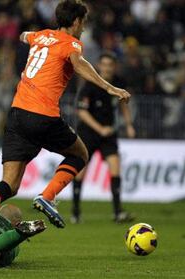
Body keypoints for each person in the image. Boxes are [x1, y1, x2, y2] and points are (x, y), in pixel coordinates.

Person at [0, 0, 131, 229]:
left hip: (17, 114)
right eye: (84, 23)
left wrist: (26, 35)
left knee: (9, 184)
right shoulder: (72, 44)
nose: (84, 28)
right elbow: (79, 64)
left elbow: (23, 35)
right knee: (80, 154)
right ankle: (47, 196)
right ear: (77, 21)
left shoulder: (39, 36)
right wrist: (109, 87)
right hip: (42, 114)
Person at [72, 52, 136, 224]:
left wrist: (129, 124)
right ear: (99, 66)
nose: (107, 68)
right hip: (89, 133)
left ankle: (118, 212)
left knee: (115, 169)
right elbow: (81, 111)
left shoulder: (119, 83)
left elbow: (123, 105)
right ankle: (76, 212)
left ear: (114, 67)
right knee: (80, 172)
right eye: (104, 65)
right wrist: (100, 129)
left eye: (110, 65)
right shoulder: (90, 85)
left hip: (109, 134)